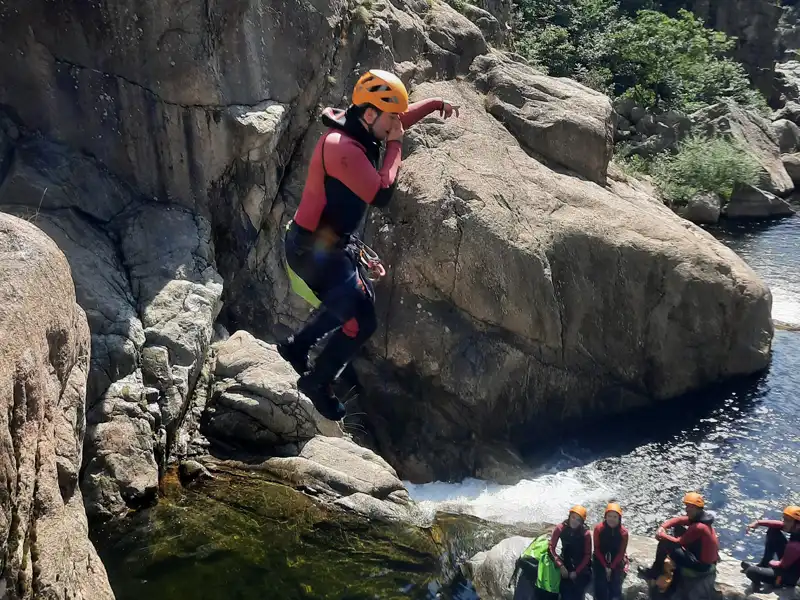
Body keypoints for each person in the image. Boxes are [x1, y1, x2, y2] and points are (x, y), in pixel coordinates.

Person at [277, 69, 459, 420]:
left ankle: (296, 349)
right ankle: (318, 382)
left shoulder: (361, 124)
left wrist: (436, 104)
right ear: (370, 114)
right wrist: (396, 144)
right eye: (390, 119)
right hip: (311, 250)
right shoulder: (341, 147)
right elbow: (382, 192)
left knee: (354, 301)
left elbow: (399, 117)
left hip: (329, 243)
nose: (397, 125)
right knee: (362, 319)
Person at [640, 492, 719, 581]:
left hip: (700, 566)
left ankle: (654, 572)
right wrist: (663, 526)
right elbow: (679, 520)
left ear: (697, 508)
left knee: (664, 543)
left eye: (690, 507)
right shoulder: (702, 518)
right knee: (678, 527)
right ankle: (676, 558)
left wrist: (662, 535)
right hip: (705, 560)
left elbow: (679, 541)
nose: (687, 509)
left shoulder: (699, 527)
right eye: (687, 506)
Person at [740, 505, 800, 590]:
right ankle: (763, 565)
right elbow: (779, 525)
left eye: (787, 520)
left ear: (797, 524)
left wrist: (771, 563)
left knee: (751, 571)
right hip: (790, 562)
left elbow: (781, 565)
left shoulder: (795, 546)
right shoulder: (797, 529)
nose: (783, 522)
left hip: (788, 575)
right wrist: (758, 522)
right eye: (784, 518)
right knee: (773, 530)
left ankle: (773, 582)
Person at [550, 505, 592, 600]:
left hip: (581, 566)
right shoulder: (560, 528)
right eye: (573, 517)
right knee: (564, 592)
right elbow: (551, 547)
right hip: (565, 563)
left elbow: (587, 555)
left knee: (577, 592)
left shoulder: (585, 534)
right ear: (569, 516)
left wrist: (576, 572)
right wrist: (560, 565)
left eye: (578, 520)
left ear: (582, 522)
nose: (574, 521)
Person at [593, 503, 629, 600]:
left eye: (615, 517)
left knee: (615, 582)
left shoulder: (623, 533)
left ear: (619, 518)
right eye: (609, 516)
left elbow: (621, 552)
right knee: (600, 582)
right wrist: (605, 566)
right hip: (600, 557)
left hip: (616, 558)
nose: (612, 519)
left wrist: (612, 566)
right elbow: (596, 549)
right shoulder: (598, 529)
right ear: (605, 517)